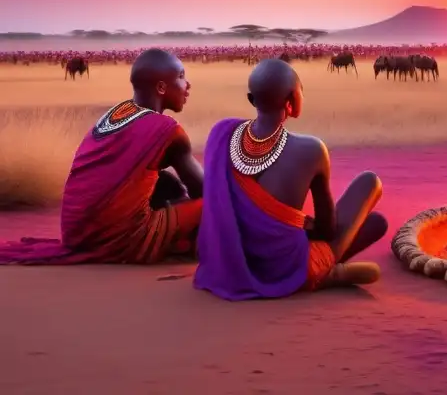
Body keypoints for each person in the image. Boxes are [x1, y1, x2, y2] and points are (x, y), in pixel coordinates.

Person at [194, 58, 387, 300]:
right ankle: (324, 275)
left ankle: (327, 272)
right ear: (291, 102)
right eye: (300, 91)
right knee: (370, 183)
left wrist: (294, 222)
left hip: (230, 263)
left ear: (252, 100)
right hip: (284, 266)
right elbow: (327, 231)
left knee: (375, 223)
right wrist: (303, 226)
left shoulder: (221, 134)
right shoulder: (312, 149)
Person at [0, 49, 204, 265]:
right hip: (121, 241)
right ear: (161, 87)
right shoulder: (167, 131)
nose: (187, 85)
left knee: (163, 181)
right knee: (216, 204)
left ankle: (173, 237)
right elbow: (204, 190)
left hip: (78, 235)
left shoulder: (115, 114)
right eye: (181, 77)